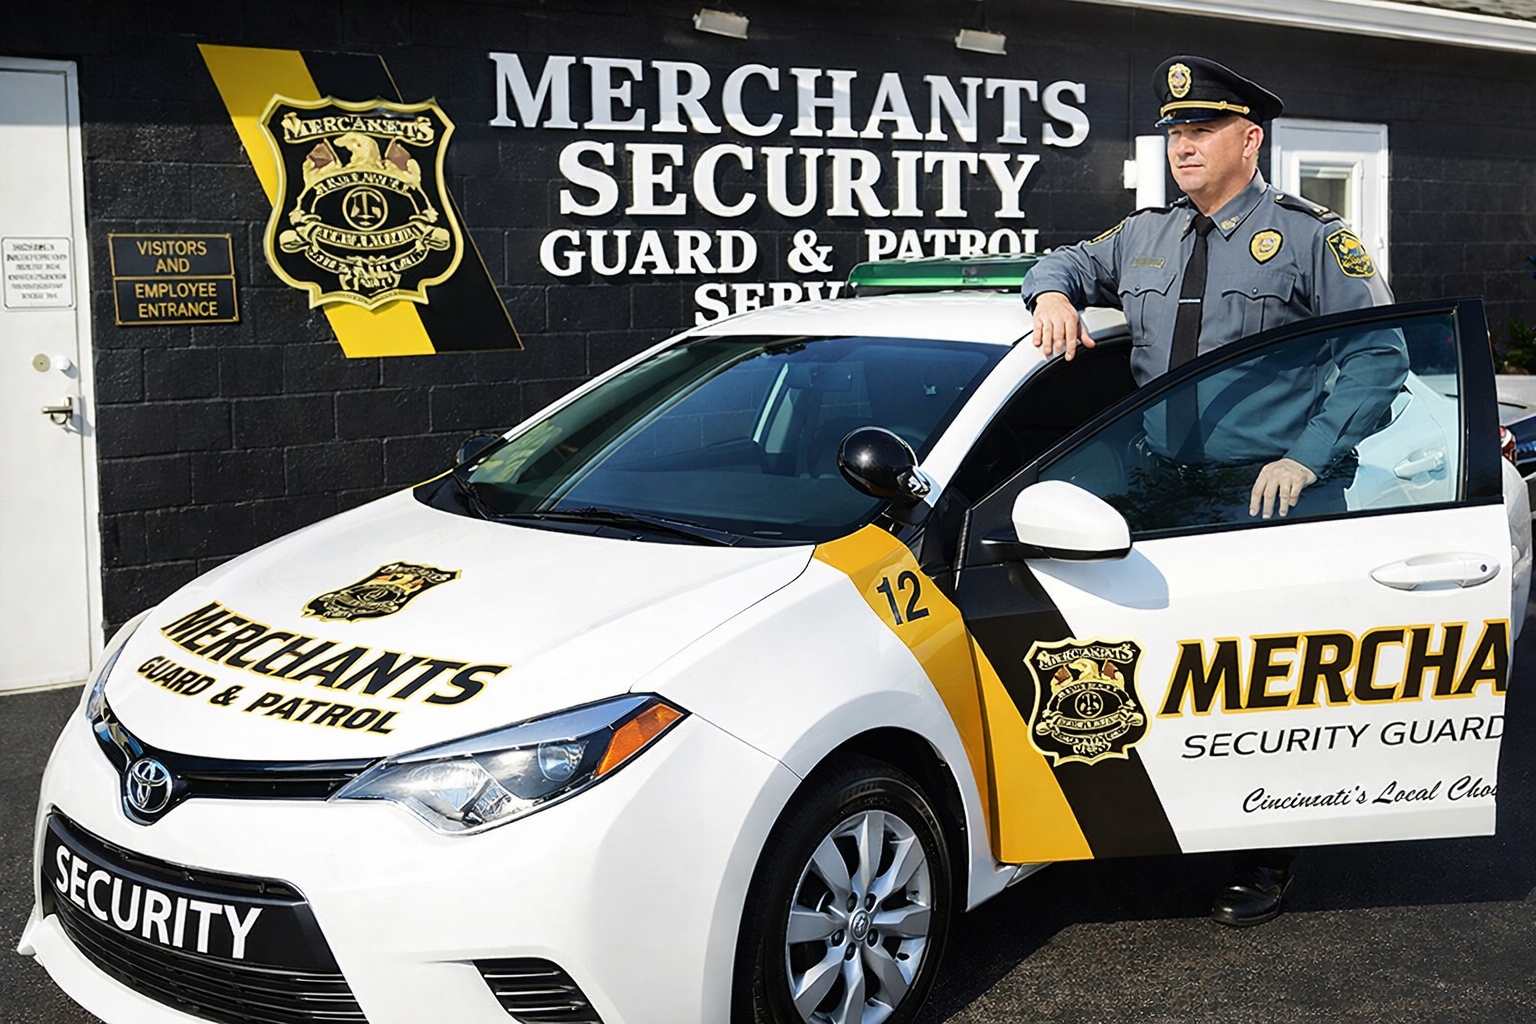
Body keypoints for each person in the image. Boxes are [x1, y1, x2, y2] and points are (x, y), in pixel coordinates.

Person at [1020, 55, 1402, 926]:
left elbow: (1380, 355)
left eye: (1200, 131)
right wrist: (1053, 297)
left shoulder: (1311, 237)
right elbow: (1065, 262)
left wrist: (1306, 456)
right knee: (1163, 672)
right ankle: (1169, 823)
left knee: (1260, 684)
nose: (1181, 147)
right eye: (1174, 133)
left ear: (1249, 139)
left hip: (1266, 498)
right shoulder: (1144, 236)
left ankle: (1264, 852)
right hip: (1163, 495)